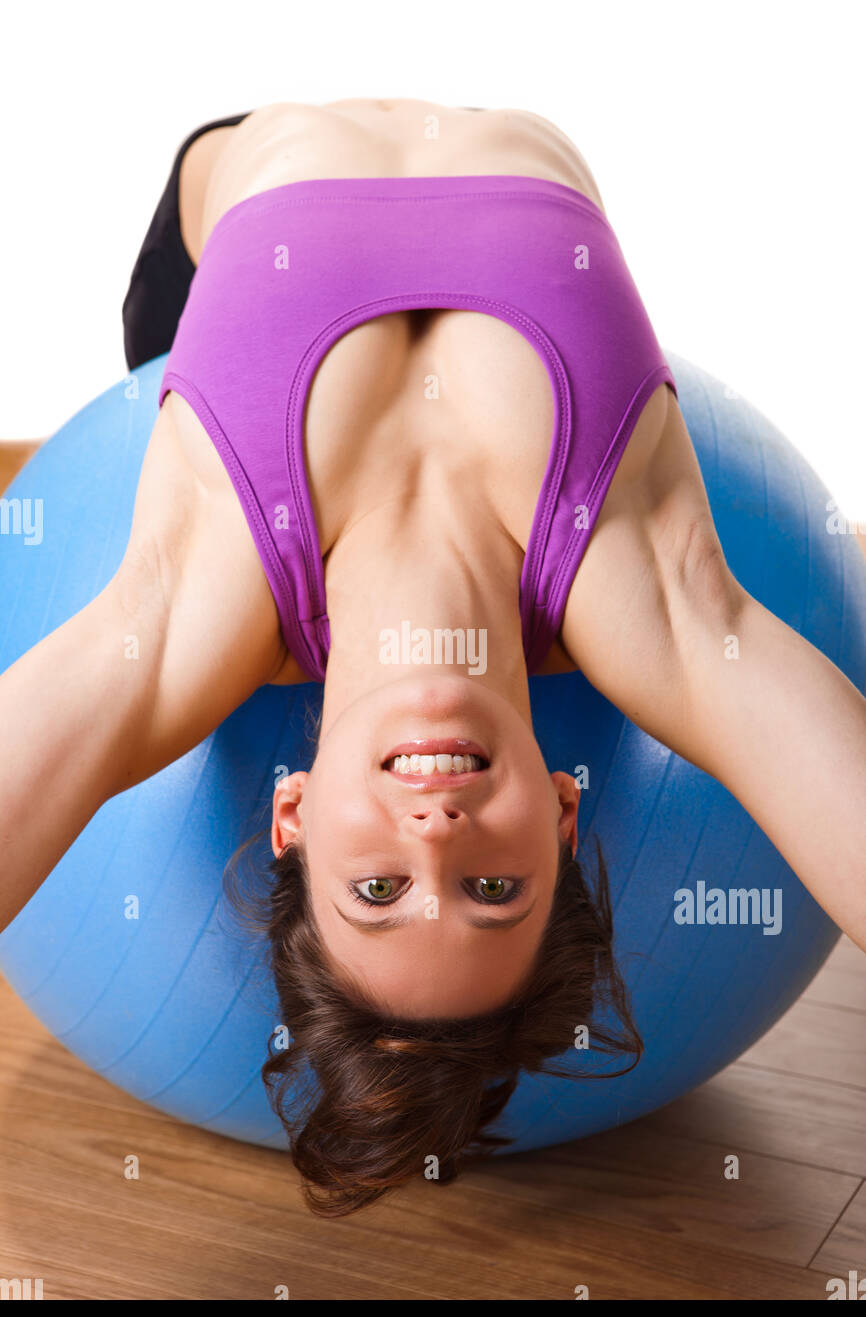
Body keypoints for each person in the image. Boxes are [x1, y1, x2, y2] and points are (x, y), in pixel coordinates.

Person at [1, 99, 864, 1216]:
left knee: (150, 356)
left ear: (293, 814)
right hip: (480, 158)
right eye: (492, 890)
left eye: (377, 890)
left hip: (232, 176)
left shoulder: (195, 616)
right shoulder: (643, 602)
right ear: (563, 816)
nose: (436, 837)